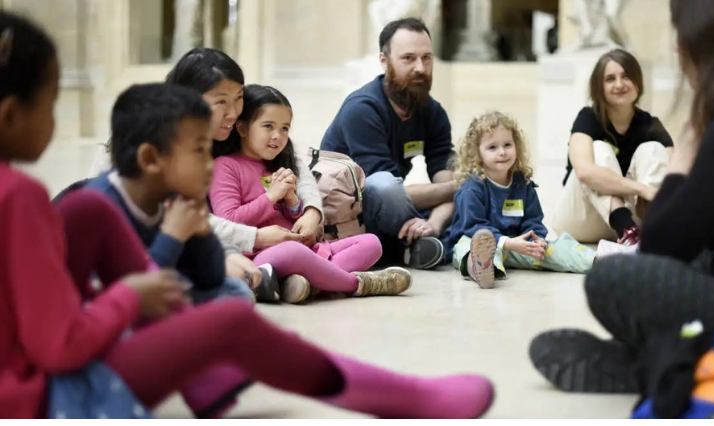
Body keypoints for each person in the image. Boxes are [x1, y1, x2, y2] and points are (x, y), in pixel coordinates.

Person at [0, 11, 495, 419]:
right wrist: (133, 294)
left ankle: (211, 378)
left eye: (238, 105)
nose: (229, 126)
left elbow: (154, 278)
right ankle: (408, 400)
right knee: (228, 320)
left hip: (75, 359)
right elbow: (60, 344)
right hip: (43, 395)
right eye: (50, 103)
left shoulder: (95, 201)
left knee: (223, 297)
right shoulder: (42, 195)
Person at [529, 0, 714, 395]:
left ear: (707, 39)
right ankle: (679, 355)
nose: (675, 49)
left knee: (612, 278)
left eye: (680, 34)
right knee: (703, 259)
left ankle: (658, 365)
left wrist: (687, 145)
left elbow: (661, 246)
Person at [86, 48, 324, 300]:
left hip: (200, 241)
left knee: (236, 291)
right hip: (146, 247)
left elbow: (293, 160)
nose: (233, 112)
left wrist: (311, 210)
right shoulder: (152, 141)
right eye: (220, 101)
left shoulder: (233, 125)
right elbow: (171, 215)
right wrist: (253, 238)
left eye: (239, 97)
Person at [210, 84, 412, 303]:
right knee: (292, 253)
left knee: (371, 243)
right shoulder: (225, 166)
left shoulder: (280, 163)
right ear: (242, 128)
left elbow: (290, 219)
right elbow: (229, 220)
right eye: (268, 126)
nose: (277, 136)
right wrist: (271, 197)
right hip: (258, 255)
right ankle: (357, 284)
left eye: (285, 128)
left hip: (305, 248)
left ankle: (303, 284)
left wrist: (294, 203)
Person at [85, 83, 254, 304]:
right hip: (112, 307)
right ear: (150, 159)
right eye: (199, 150)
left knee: (234, 292)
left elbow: (210, 278)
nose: (210, 164)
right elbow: (134, 294)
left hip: (160, 296)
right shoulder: (100, 206)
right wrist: (172, 237)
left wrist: (202, 233)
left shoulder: (171, 196)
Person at [320, 17, 455, 270]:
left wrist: (435, 221)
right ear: (384, 61)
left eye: (426, 58)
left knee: (472, 194)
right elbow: (388, 193)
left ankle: (424, 237)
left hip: (391, 212)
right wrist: (459, 187)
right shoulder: (362, 109)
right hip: (346, 212)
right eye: (408, 58)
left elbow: (445, 180)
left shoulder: (433, 112)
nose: (420, 67)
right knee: (385, 186)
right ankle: (421, 245)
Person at [442, 112, 596, 289]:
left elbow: (533, 220)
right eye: (492, 147)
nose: (502, 152)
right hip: (476, 241)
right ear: (477, 154)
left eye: (507, 144)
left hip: (517, 244)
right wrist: (505, 243)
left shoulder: (523, 183)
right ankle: (482, 269)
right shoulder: (472, 187)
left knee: (556, 247)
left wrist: (536, 240)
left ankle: (596, 260)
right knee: (467, 249)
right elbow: (472, 225)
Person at [551, 48, 673, 248]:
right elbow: (584, 172)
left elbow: (676, 172)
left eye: (626, 76)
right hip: (581, 219)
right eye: (610, 79)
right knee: (598, 150)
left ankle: (652, 229)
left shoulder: (650, 124)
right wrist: (642, 189)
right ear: (599, 87)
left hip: (637, 219)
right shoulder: (588, 117)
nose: (619, 84)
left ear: (637, 81)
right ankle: (626, 229)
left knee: (654, 149)